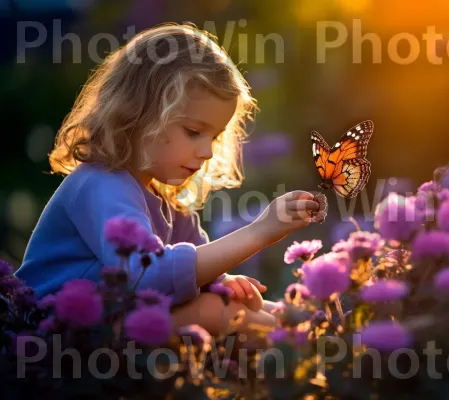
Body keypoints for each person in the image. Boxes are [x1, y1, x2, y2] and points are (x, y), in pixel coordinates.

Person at [15, 23, 321, 341]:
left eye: (214, 136)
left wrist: (221, 280)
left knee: (236, 305)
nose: (206, 151)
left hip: (107, 327)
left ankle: (320, 330)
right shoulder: (100, 184)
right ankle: (309, 347)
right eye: (193, 131)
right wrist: (258, 232)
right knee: (212, 313)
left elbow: (196, 266)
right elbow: (145, 276)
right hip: (48, 337)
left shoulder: (164, 198)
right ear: (138, 113)